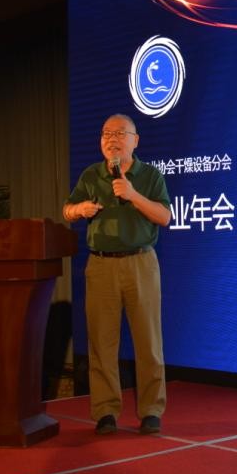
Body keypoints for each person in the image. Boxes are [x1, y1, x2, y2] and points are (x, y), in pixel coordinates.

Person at [63, 114, 171, 435]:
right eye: (106, 133)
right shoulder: (91, 175)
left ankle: (151, 410)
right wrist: (79, 210)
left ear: (135, 140)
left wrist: (132, 194)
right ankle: (105, 411)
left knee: (148, 342)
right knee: (102, 343)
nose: (111, 139)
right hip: (101, 266)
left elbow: (164, 216)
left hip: (141, 263)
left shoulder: (149, 175)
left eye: (120, 133)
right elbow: (67, 210)